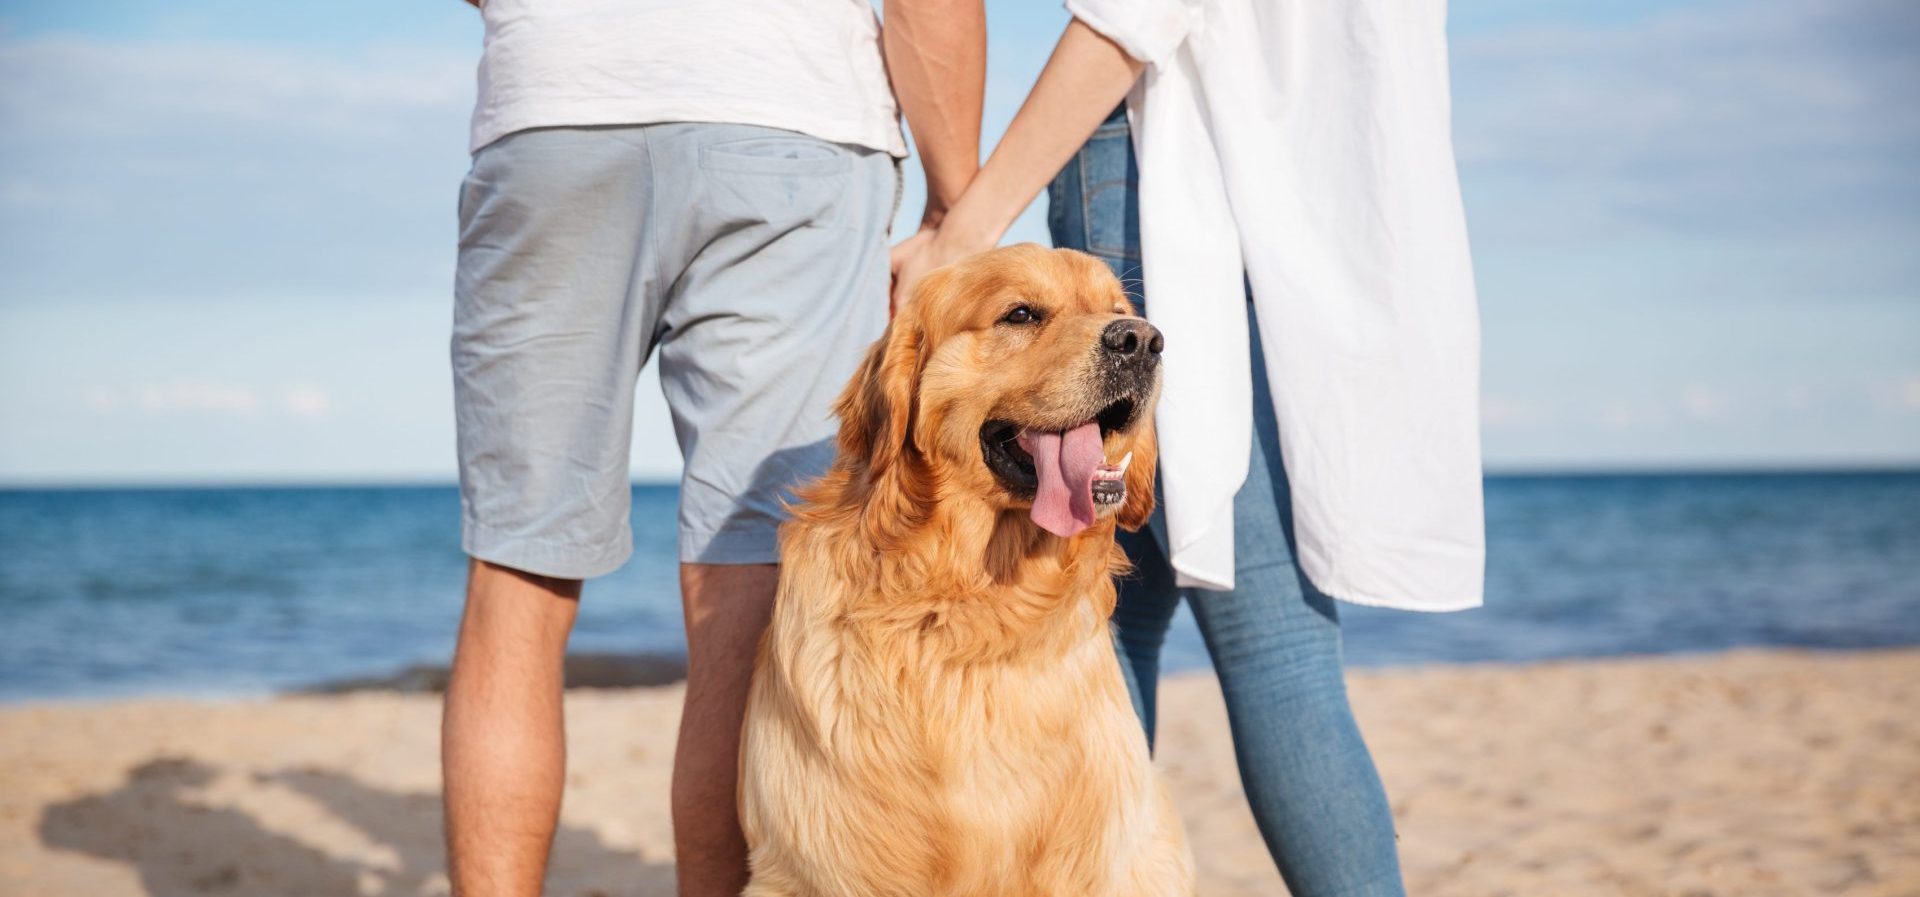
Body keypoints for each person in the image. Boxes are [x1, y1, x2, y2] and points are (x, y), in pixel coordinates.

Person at [892, 3, 1485, 894]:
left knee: (1249, 645)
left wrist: (968, 225)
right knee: (1116, 618)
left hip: (1160, 176)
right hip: (1306, 206)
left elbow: (1130, 15)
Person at [440, 1, 986, 895]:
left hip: (555, 110)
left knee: (517, 577)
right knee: (754, 582)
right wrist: (954, 202)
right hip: (792, 118)